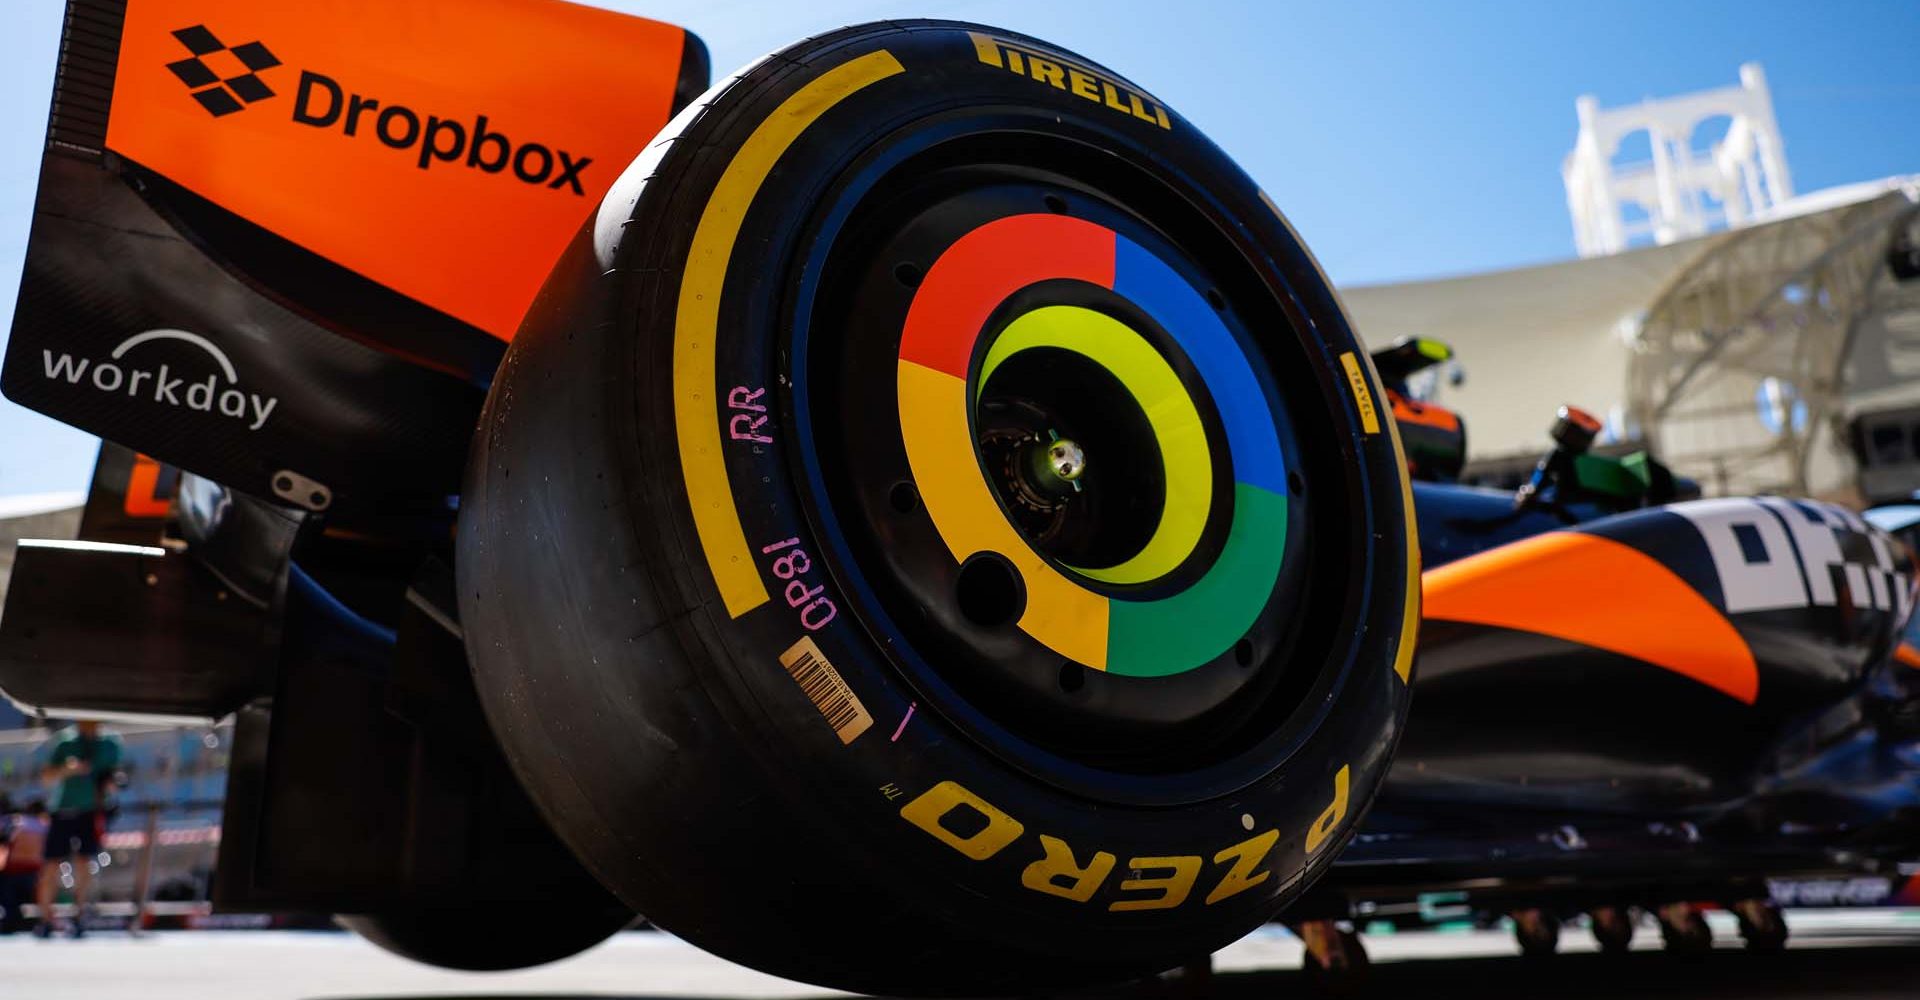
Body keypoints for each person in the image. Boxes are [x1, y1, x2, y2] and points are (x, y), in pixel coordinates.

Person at [34, 720, 122, 939]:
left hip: (91, 810)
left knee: (85, 862)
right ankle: (45, 918)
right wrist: (67, 770)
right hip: (63, 809)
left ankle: (79, 914)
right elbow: (46, 777)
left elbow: (113, 774)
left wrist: (111, 784)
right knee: (52, 863)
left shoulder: (111, 743)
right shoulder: (65, 741)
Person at [1, 799, 49, 933]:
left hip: (13, 872)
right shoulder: (44, 825)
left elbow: (6, 841)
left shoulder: (13, 822)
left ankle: (12, 921)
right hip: (35, 874)